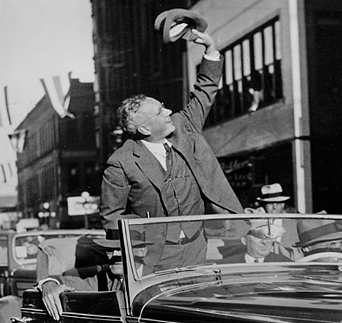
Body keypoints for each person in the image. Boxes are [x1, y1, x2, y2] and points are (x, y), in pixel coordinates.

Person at [100, 28, 242, 270]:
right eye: (159, 112)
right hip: (155, 255)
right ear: (144, 129)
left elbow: (204, 93)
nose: (168, 112)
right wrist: (139, 246)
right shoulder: (121, 163)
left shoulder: (183, 127)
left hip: (198, 245)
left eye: (163, 106)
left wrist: (210, 50)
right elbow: (112, 217)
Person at [37, 229, 152, 321]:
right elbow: (73, 283)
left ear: (142, 251)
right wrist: (49, 283)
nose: (114, 255)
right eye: (109, 249)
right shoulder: (105, 277)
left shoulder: (158, 279)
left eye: (122, 248)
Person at [219, 220, 290, 264]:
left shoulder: (284, 264)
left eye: (269, 236)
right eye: (259, 237)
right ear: (244, 240)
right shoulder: (227, 265)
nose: (265, 242)